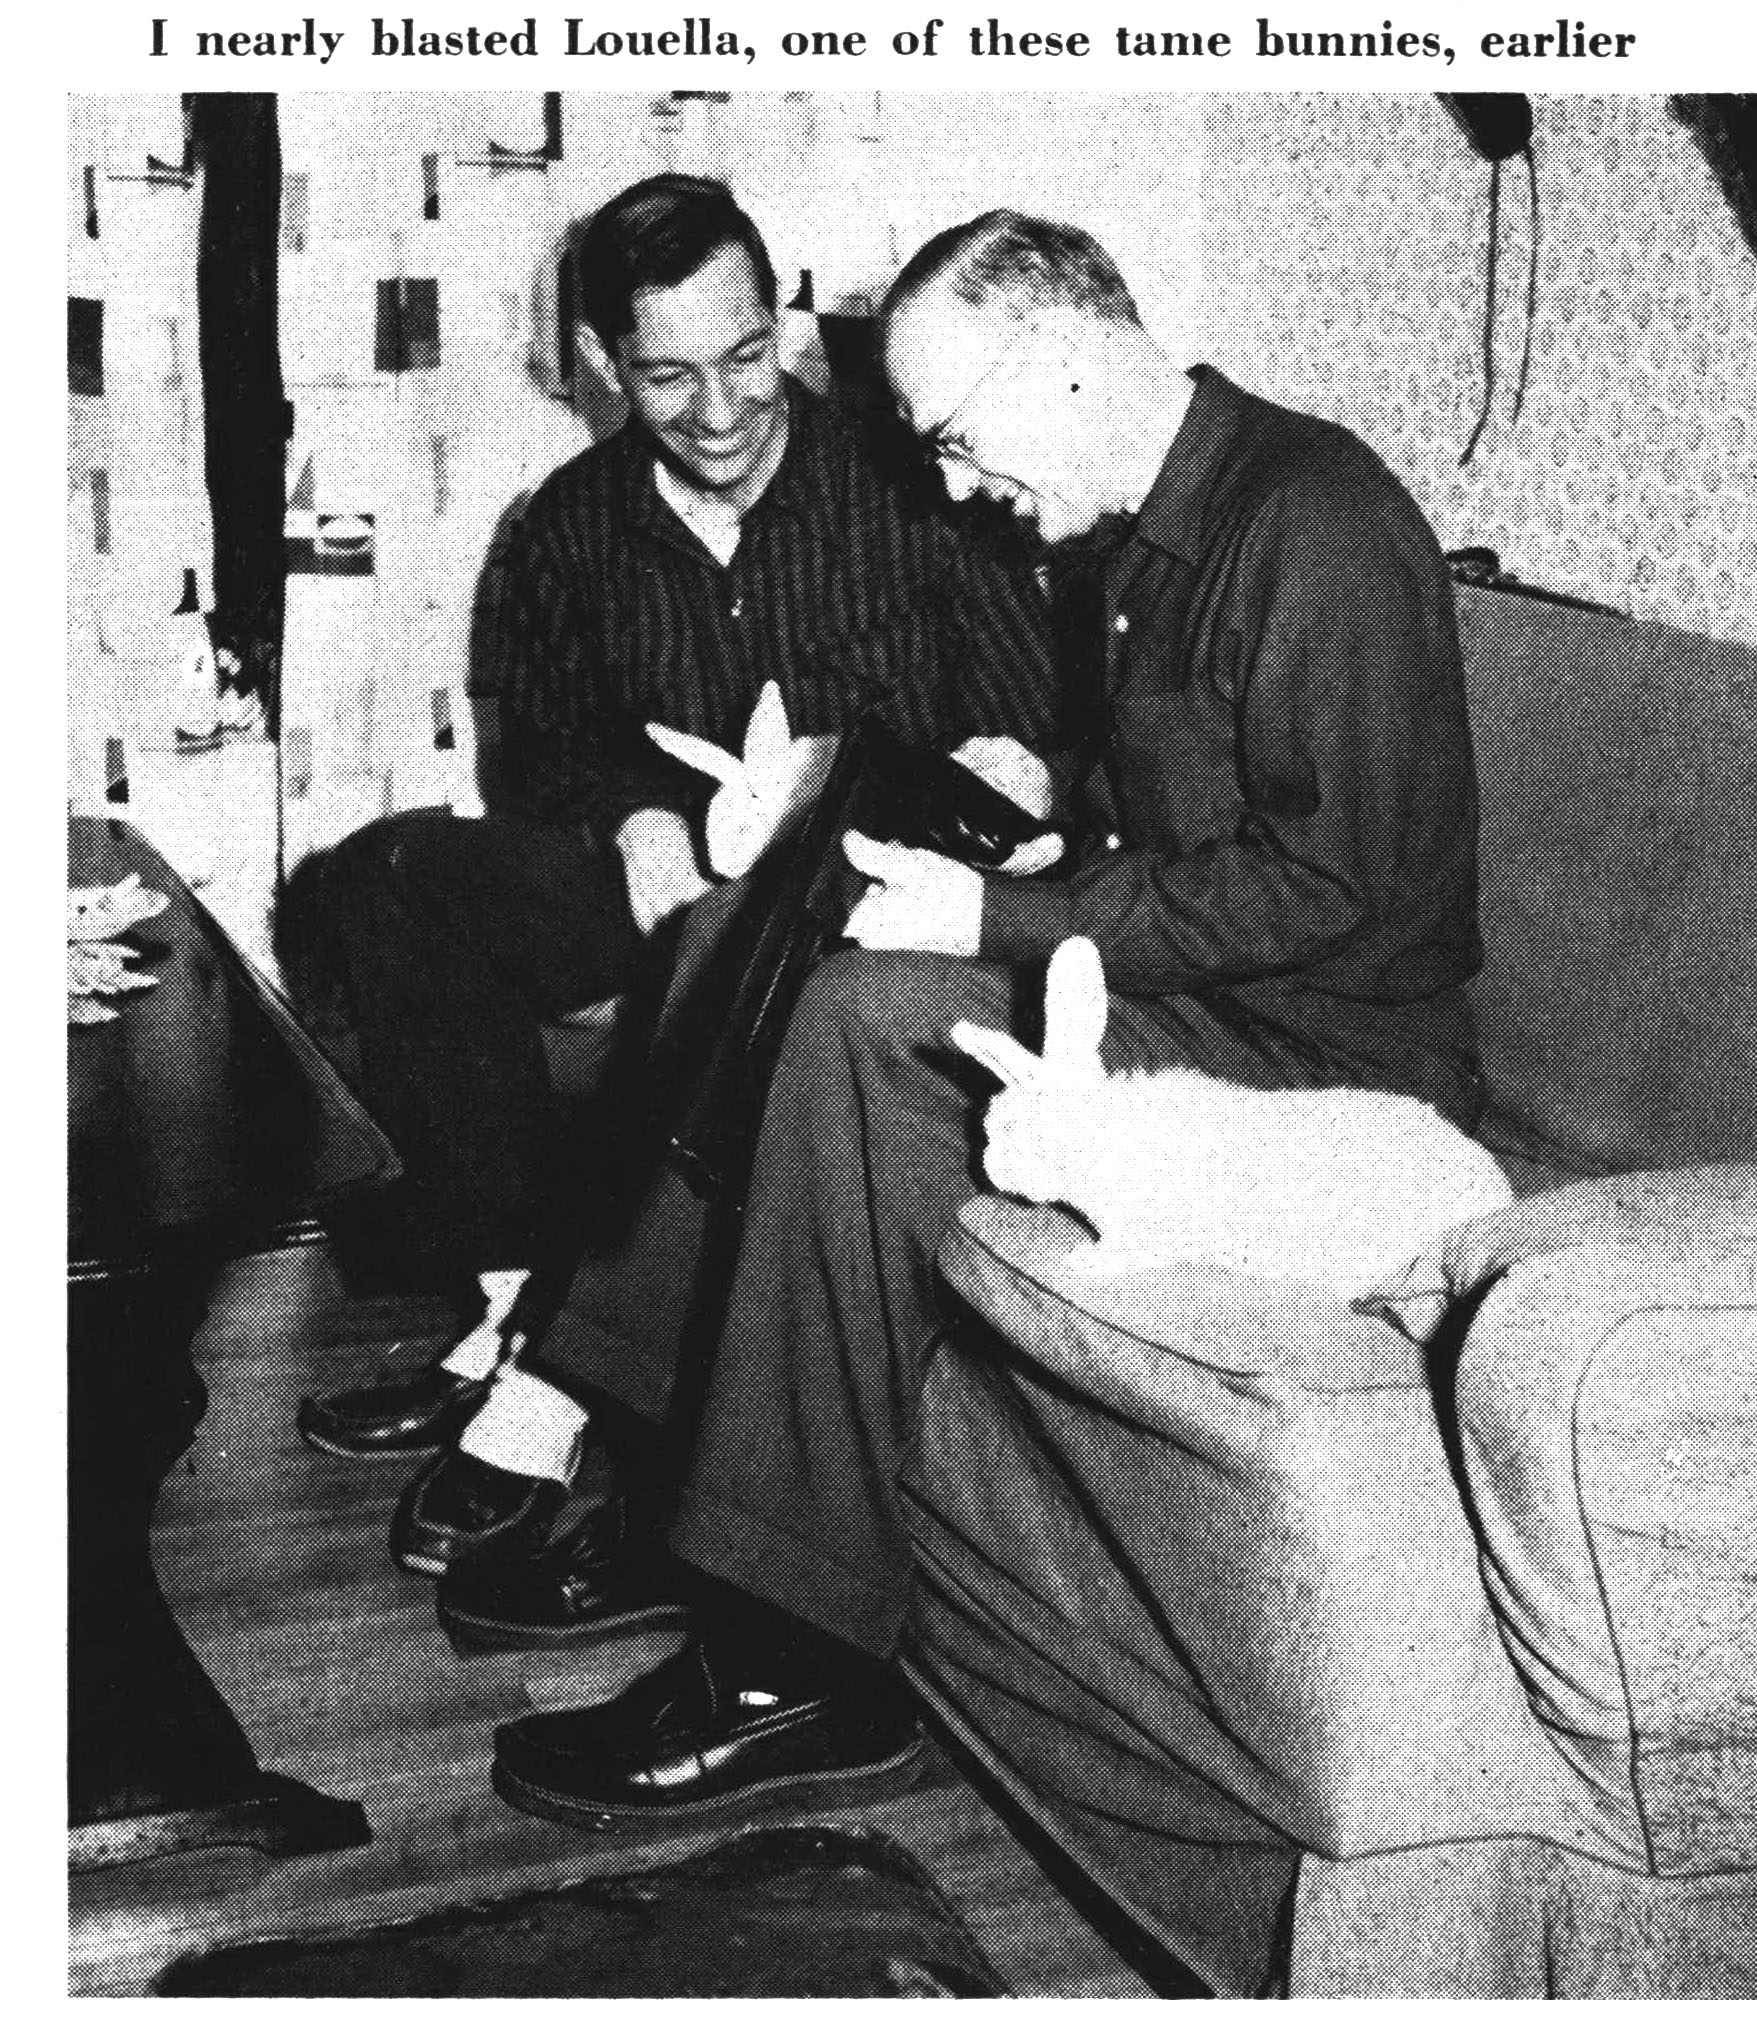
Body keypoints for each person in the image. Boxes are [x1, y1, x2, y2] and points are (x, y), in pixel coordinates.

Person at [475, 209, 1487, 1831]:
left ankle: (796, 1648)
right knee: (777, 921)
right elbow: (1160, 799)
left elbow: (1337, 888)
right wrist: (1036, 833)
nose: (950, 487)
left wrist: (1000, 913)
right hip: (1176, 993)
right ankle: (652, 1456)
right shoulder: (1143, 534)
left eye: (955, 439)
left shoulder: (1319, 522)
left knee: (863, 1019)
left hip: (1327, 1057)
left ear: (1069, 361)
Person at [291, 179, 1060, 1579]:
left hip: (855, 908)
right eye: (667, 374)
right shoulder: (567, 528)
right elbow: (535, 754)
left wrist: (984, 773)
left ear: (781, 325)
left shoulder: (921, 488)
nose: (721, 409)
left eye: (747, 356)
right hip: (654, 893)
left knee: (749, 919)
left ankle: (550, 1379)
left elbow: (1024, 730)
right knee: (383, 876)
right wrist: (632, 812)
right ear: (600, 367)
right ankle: (513, 1294)